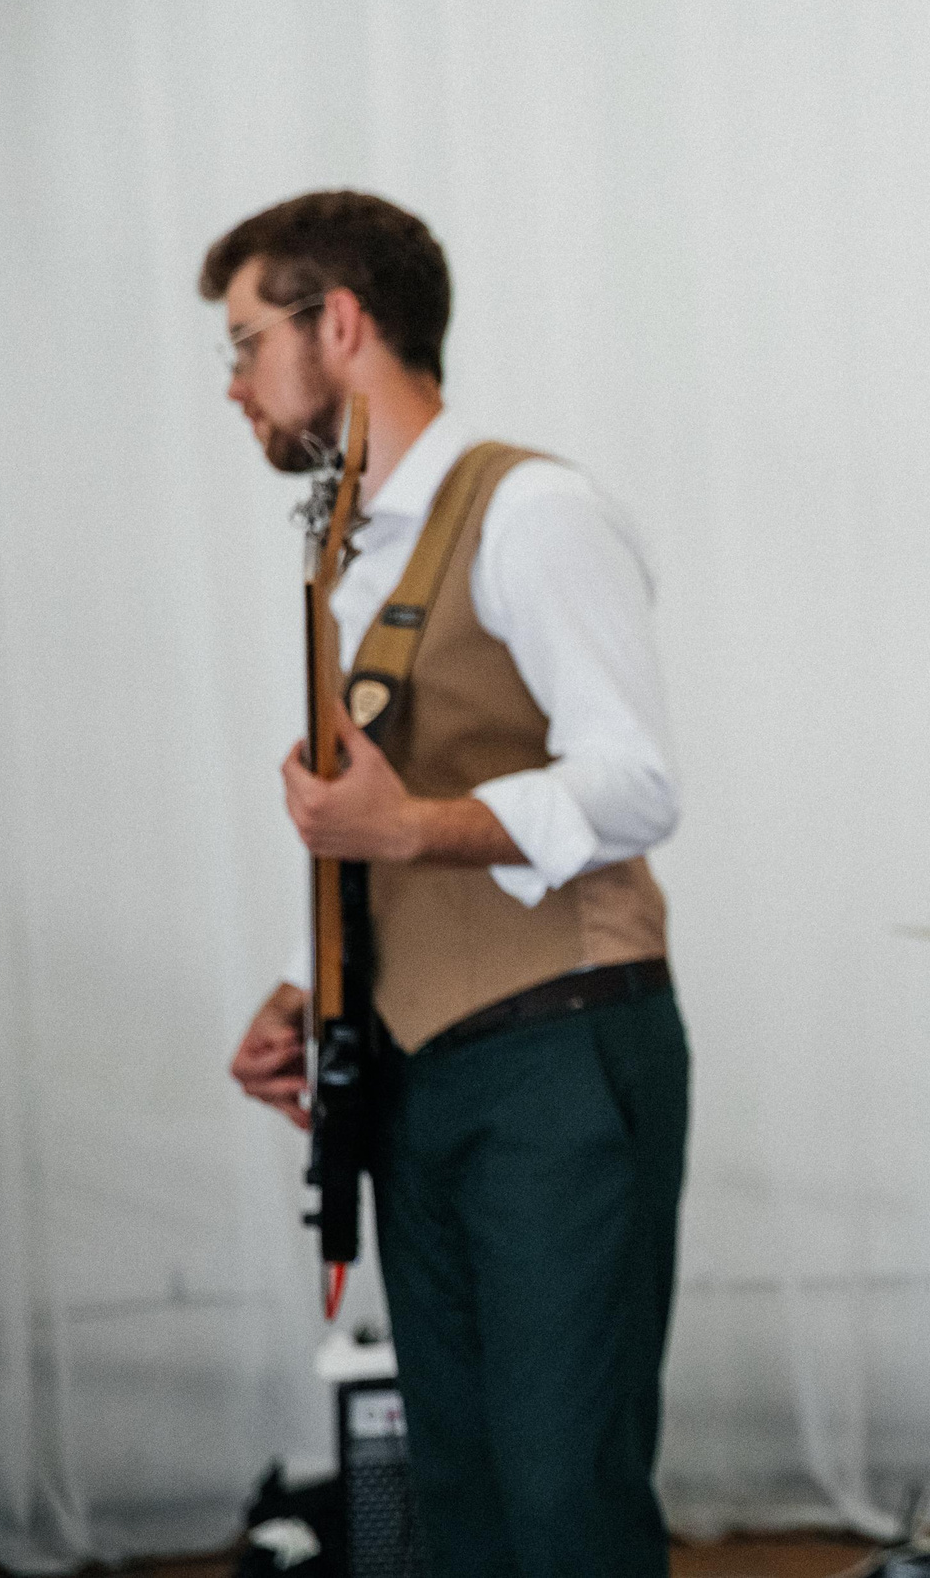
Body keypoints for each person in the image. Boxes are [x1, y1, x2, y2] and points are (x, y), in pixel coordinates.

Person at [212, 191, 687, 1576]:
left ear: (340, 325)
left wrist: (408, 830)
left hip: (561, 1063)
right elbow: (400, 826)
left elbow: (639, 784)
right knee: (463, 1517)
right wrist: (323, 988)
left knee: (565, 1511)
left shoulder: (532, 510)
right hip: (422, 1082)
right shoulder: (358, 547)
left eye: (247, 344)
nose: (235, 386)